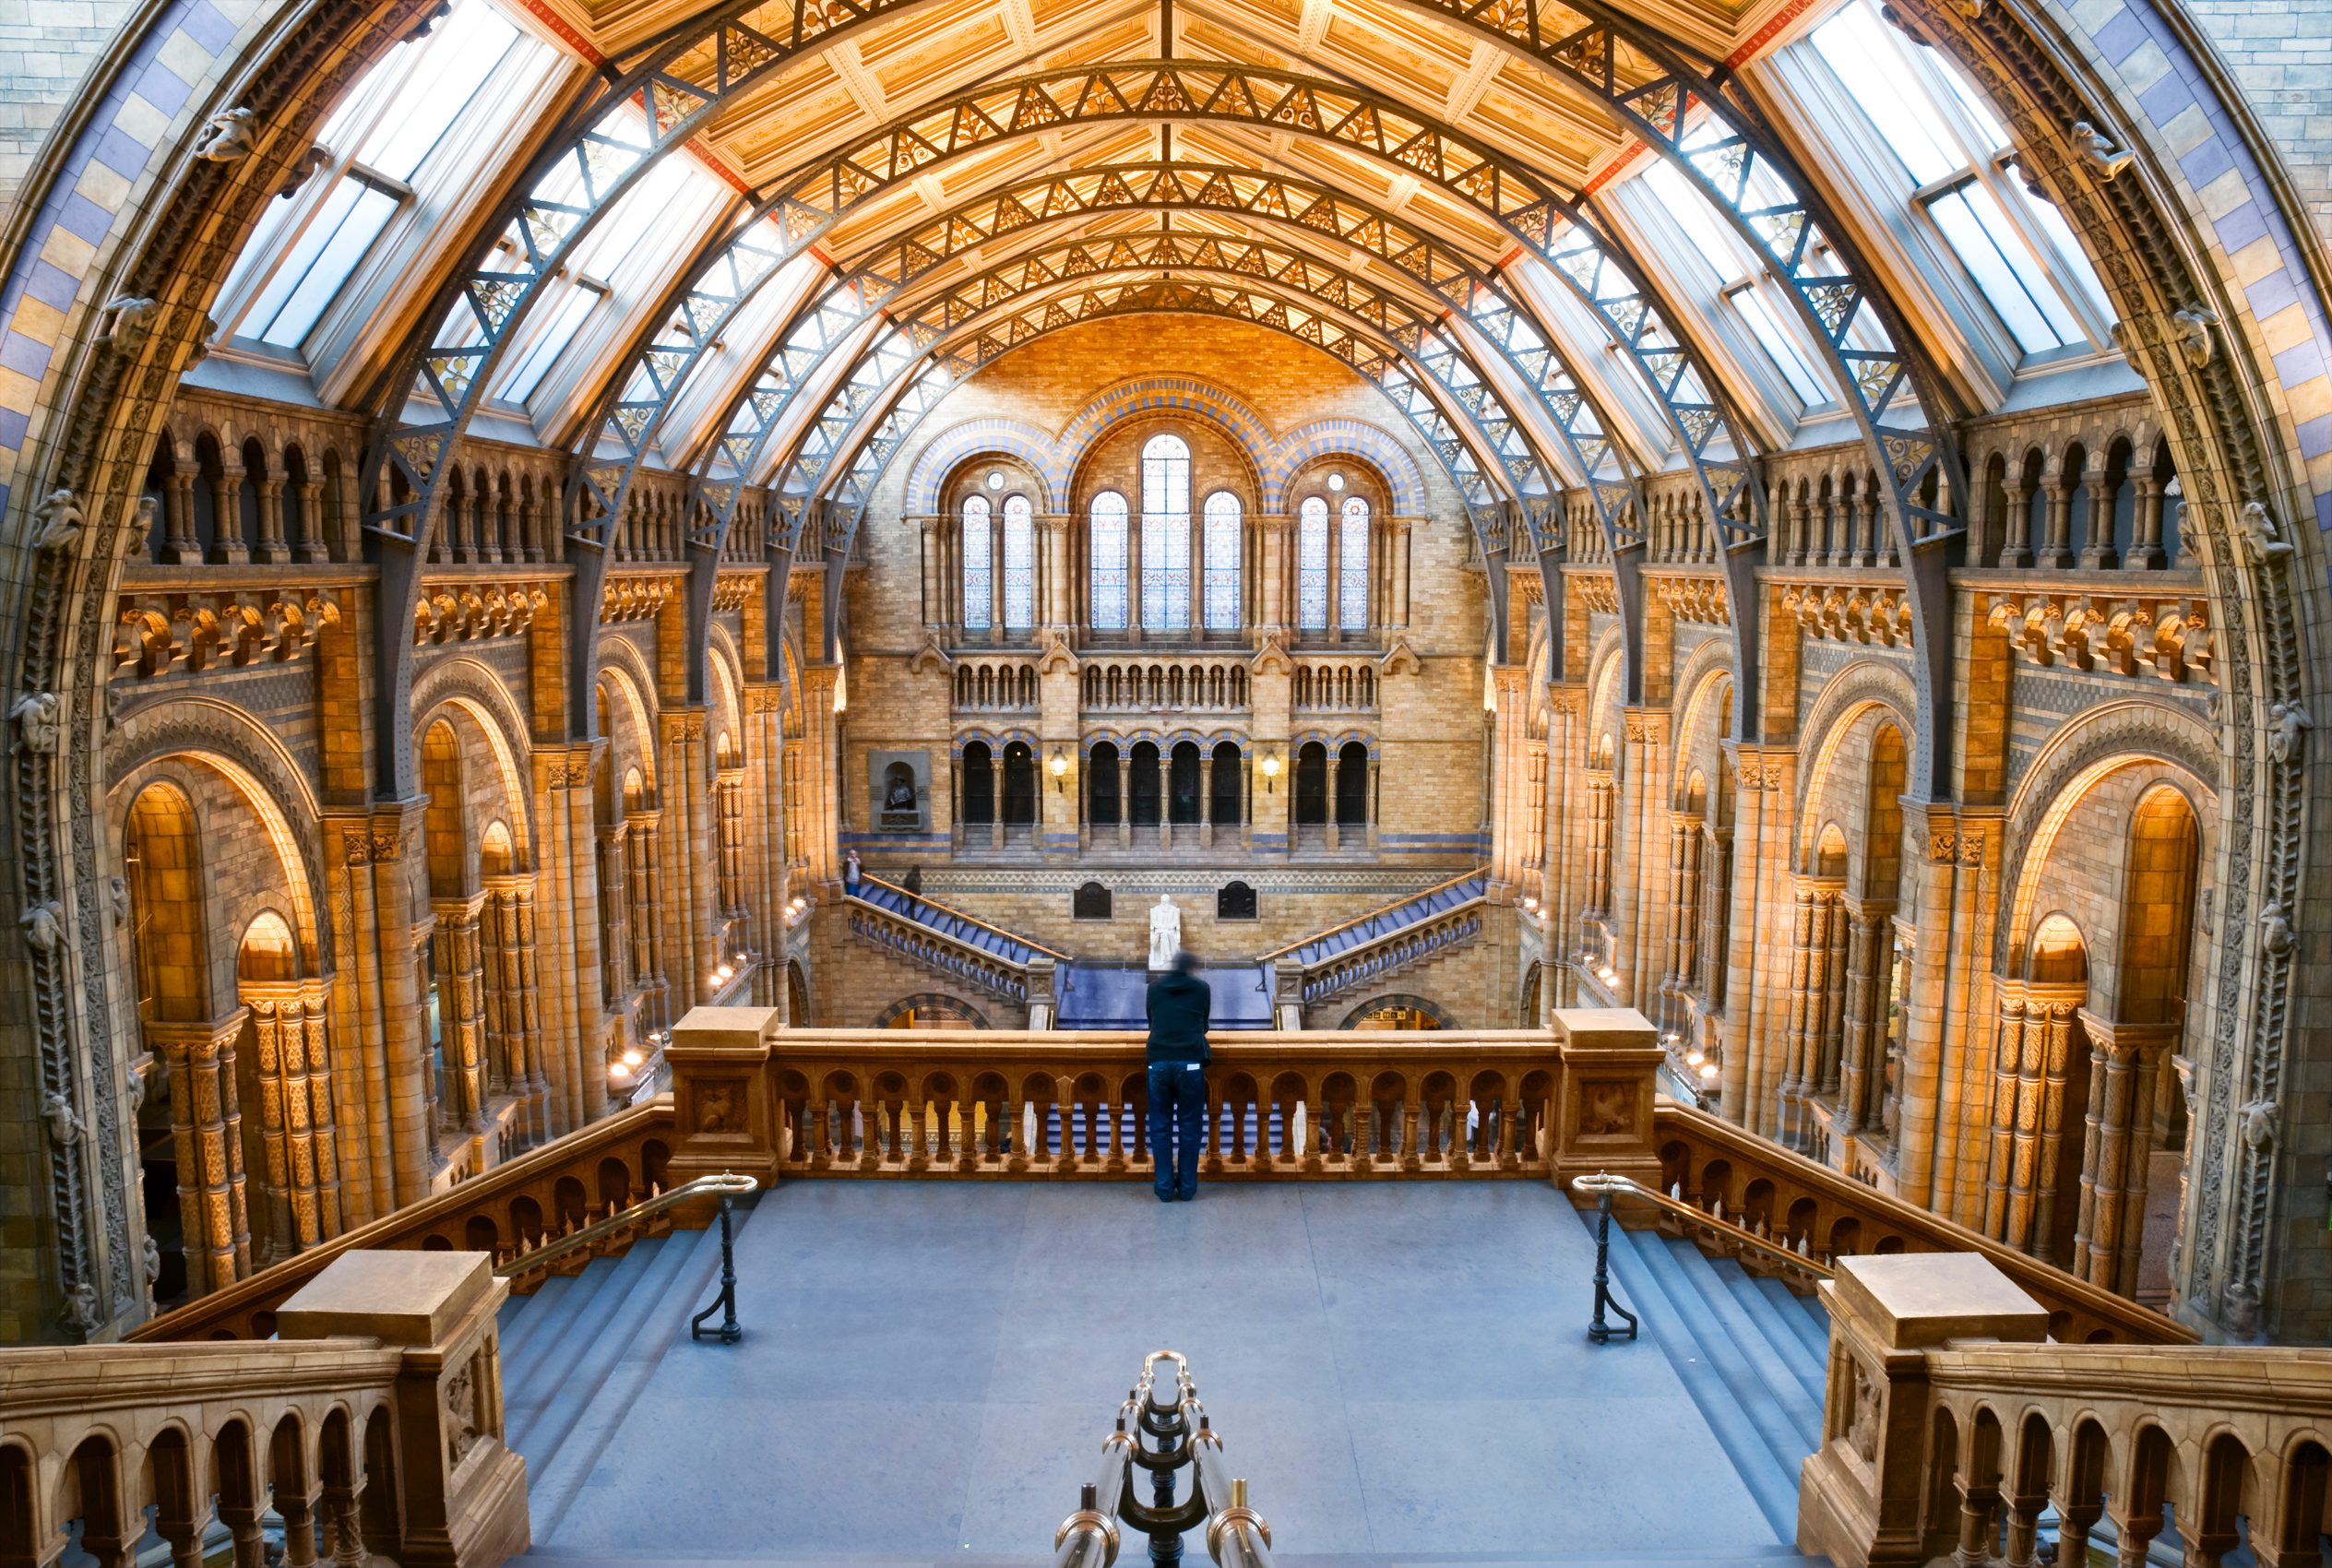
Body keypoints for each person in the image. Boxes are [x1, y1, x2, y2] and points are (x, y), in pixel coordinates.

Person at [1145, 949, 1211, 1202]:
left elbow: (1151, 1020)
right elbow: (1204, 1024)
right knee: (1190, 1127)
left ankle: (1163, 1188)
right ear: (1190, 968)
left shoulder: (1154, 988)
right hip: (1191, 1063)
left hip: (1158, 1063)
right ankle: (1187, 1188)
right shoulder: (1202, 988)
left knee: (1160, 1127)